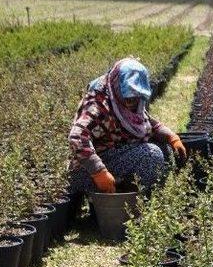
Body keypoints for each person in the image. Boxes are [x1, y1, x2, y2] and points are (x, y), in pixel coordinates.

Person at [68, 57, 186, 194]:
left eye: (136, 97)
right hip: (86, 172)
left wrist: (172, 138)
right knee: (151, 155)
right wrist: (99, 172)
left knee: (166, 148)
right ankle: (129, 200)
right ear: (118, 84)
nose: (132, 102)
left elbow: (146, 121)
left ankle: (131, 194)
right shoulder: (100, 106)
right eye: (129, 97)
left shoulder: (124, 102)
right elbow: (77, 136)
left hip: (113, 156)